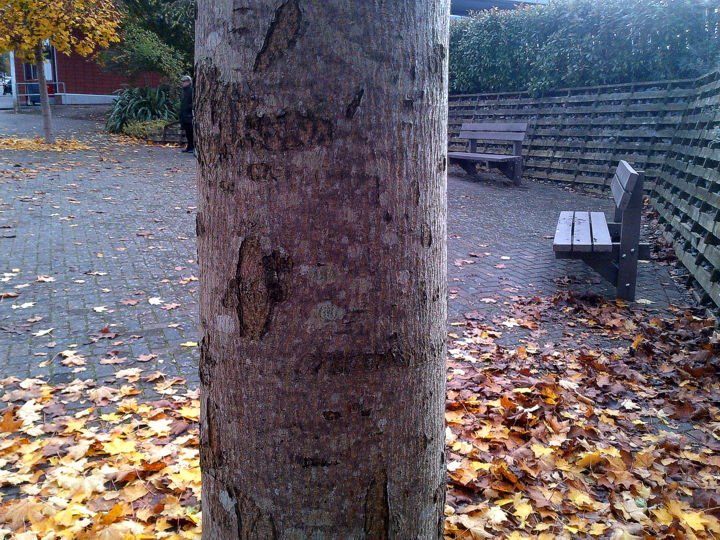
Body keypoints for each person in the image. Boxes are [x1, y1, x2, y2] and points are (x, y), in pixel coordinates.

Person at [180, 75, 194, 154]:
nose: (183, 83)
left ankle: (192, 147)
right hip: (184, 115)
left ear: (189, 82)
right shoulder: (184, 91)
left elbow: (193, 102)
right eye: (183, 82)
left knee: (191, 132)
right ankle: (189, 146)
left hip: (189, 115)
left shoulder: (191, 91)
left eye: (184, 82)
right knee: (187, 132)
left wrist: (189, 108)